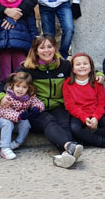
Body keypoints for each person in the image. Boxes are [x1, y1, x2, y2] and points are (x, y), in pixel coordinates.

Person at [7, 35, 89, 168]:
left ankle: (65, 155)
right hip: (35, 109)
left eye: (49, 46)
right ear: (35, 50)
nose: (46, 50)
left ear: (55, 48)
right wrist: (1, 97)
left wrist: (100, 76)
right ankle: (69, 147)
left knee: (64, 123)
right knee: (49, 121)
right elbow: (8, 84)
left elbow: (85, 71)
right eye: (42, 47)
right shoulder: (26, 68)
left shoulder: (64, 66)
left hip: (58, 106)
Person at [63, 53, 105, 150]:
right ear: (73, 69)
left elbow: (102, 102)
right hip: (79, 114)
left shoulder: (97, 82)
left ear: (91, 67)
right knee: (75, 129)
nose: (82, 66)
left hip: (96, 111)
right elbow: (70, 105)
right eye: (78, 64)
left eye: (85, 64)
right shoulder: (67, 83)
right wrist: (84, 117)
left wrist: (95, 117)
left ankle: (85, 141)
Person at [0, 72, 44, 160]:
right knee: (8, 123)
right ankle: (4, 148)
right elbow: (5, 112)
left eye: (24, 87)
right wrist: (19, 116)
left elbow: (37, 102)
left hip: (17, 120)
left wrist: (37, 108)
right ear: (13, 86)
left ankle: (17, 142)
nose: (20, 90)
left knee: (26, 123)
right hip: (1, 120)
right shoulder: (8, 97)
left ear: (28, 88)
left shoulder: (29, 96)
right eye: (18, 86)